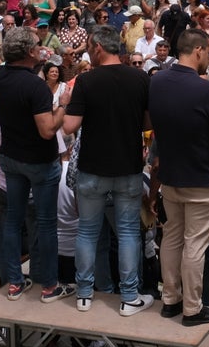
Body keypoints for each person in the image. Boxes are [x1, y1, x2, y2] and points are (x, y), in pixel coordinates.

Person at [149, 28, 209, 326]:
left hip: (171, 178)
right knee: (194, 246)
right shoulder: (204, 89)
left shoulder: (158, 80)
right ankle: (192, 308)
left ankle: (170, 300)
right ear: (198, 50)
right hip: (202, 179)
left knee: (172, 239)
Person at [64, 25, 154, 316]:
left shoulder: (86, 81)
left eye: (90, 46)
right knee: (128, 232)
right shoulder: (140, 78)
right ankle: (129, 296)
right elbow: (148, 122)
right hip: (127, 166)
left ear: (99, 47)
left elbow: (69, 127)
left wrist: (66, 104)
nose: (88, 50)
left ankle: (84, 294)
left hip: (92, 167)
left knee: (88, 232)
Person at [0, 28, 74, 303]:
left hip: (10, 158)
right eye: (38, 46)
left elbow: (17, 72)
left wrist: (39, 60)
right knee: (46, 224)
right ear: (29, 52)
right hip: (39, 161)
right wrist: (62, 105)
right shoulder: (36, 86)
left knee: (13, 221)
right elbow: (48, 130)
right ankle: (50, 286)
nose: (42, 48)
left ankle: (15, 282)